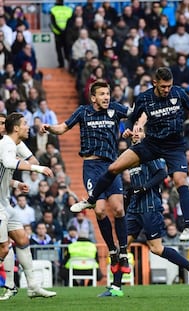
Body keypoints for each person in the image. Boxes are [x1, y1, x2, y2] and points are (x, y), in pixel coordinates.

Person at [70, 67, 189, 242]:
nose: (167, 90)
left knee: (181, 181)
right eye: (164, 86)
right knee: (114, 167)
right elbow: (132, 117)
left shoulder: (178, 93)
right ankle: (91, 199)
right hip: (151, 144)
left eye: (169, 86)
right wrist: (128, 129)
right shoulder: (144, 98)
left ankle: (188, 227)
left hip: (174, 147)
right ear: (155, 83)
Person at [40, 81, 132, 277]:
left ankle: (123, 250)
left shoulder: (115, 109)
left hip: (112, 166)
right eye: (102, 94)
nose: (106, 97)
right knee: (99, 210)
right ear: (93, 98)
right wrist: (48, 128)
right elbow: (63, 128)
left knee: (118, 208)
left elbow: (133, 114)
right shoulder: (83, 112)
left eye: (107, 93)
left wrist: (131, 128)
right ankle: (112, 250)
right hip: (92, 167)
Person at [100, 125, 189, 297]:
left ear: (145, 135)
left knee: (156, 249)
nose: (136, 134)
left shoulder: (148, 152)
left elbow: (162, 173)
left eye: (140, 131)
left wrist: (142, 188)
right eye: (134, 131)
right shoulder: (130, 155)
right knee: (122, 247)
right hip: (134, 209)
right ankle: (116, 288)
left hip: (150, 207)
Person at [0, 112, 56, 299]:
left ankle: (32, 286)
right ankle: (10, 285)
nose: (28, 126)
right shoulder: (5, 144)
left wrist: (16, 183)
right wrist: (37, 169)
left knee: (22, 240)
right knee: (3, 248)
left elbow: (30, 160)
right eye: (25, 123)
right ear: (15, 127)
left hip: (4, 202)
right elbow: (10, 162)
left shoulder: (13, 143)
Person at [50, 0, 72, 68]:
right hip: (66, 33)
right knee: (67, 49)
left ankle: (61, 65)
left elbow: (53, 22)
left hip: (58, 33)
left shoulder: (53, 9)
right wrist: (65, 30)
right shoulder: (69, 9)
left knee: (59, 50)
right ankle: (69, 65)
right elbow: (70, 21)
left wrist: (60, 30)